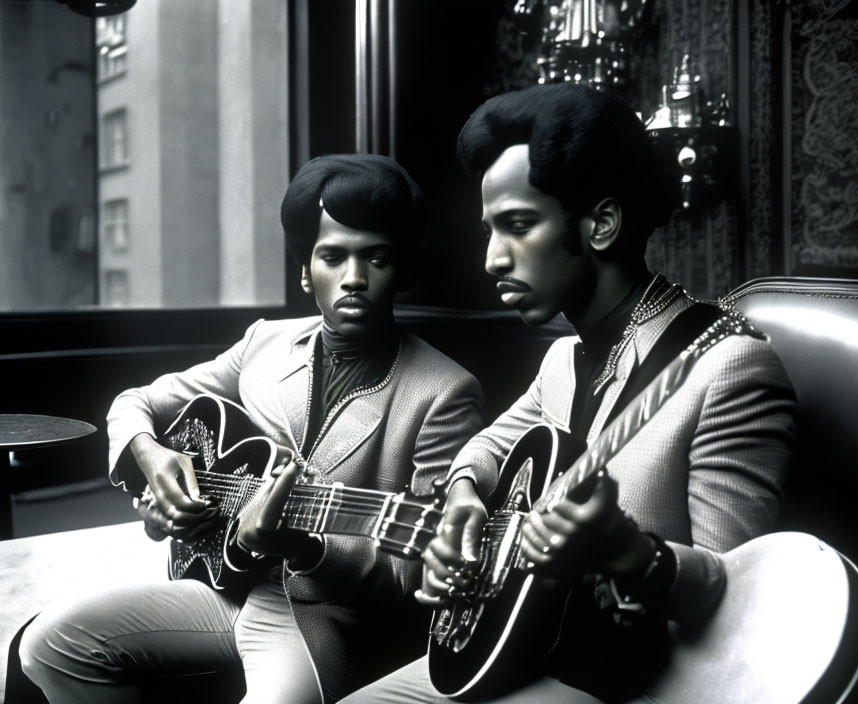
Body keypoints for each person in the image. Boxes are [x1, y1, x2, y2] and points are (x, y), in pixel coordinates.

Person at [340, 84, 797, 703]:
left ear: (601, 224)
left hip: (634, 682)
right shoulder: (563, 360)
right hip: (532, 650)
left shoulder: (729, 367)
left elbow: (734, 596)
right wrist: (464, 503)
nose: (492, 260)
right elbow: (479, 451)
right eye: (488, 230)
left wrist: (626, 551)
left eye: (518, 226)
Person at [19, 154, 484, 704]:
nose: (354, 278)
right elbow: (136, 402)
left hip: (324, 618)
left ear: (404, 270)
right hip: (224, 588)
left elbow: (417, 574)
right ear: (306, 271)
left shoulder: (446, 391)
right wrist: (151, 457)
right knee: (52, 644)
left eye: (376, 258)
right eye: (333, 257)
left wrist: (304, 546)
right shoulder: (265, 343)